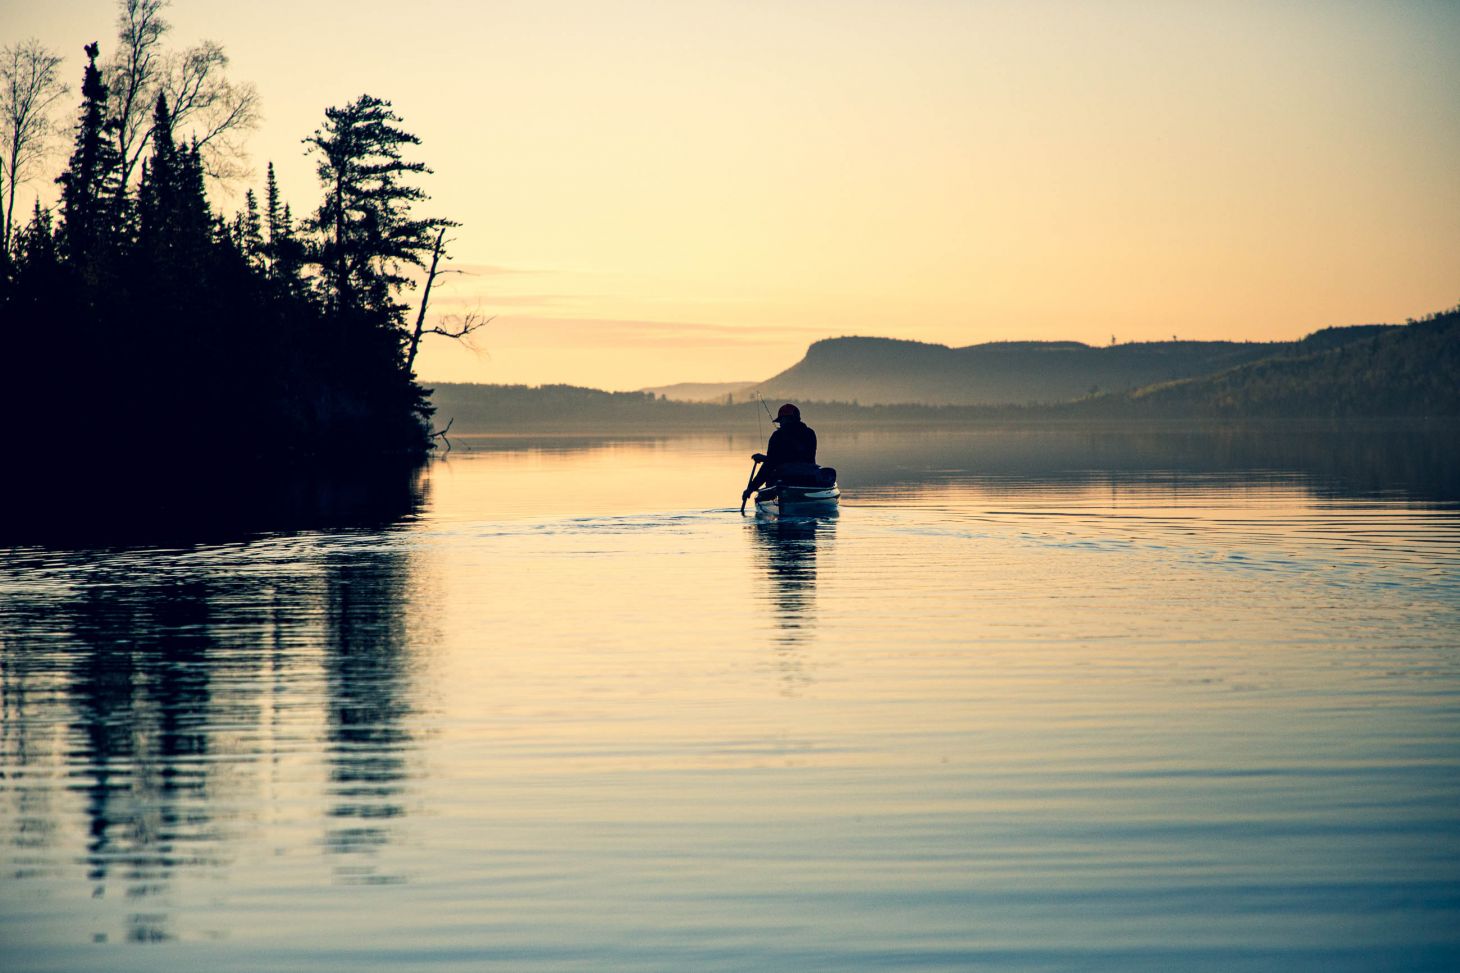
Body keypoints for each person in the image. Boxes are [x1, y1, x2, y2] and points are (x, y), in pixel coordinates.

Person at [744, 403, 817, 501]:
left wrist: (751, 488)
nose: (780, 424)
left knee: (772, 477)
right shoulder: (810, 433)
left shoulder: (777, 436)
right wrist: (767, 459)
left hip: (785, 478)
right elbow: (806, 458)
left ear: (789, 419)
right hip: (808, 478)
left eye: (781, 420)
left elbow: (769, 466)